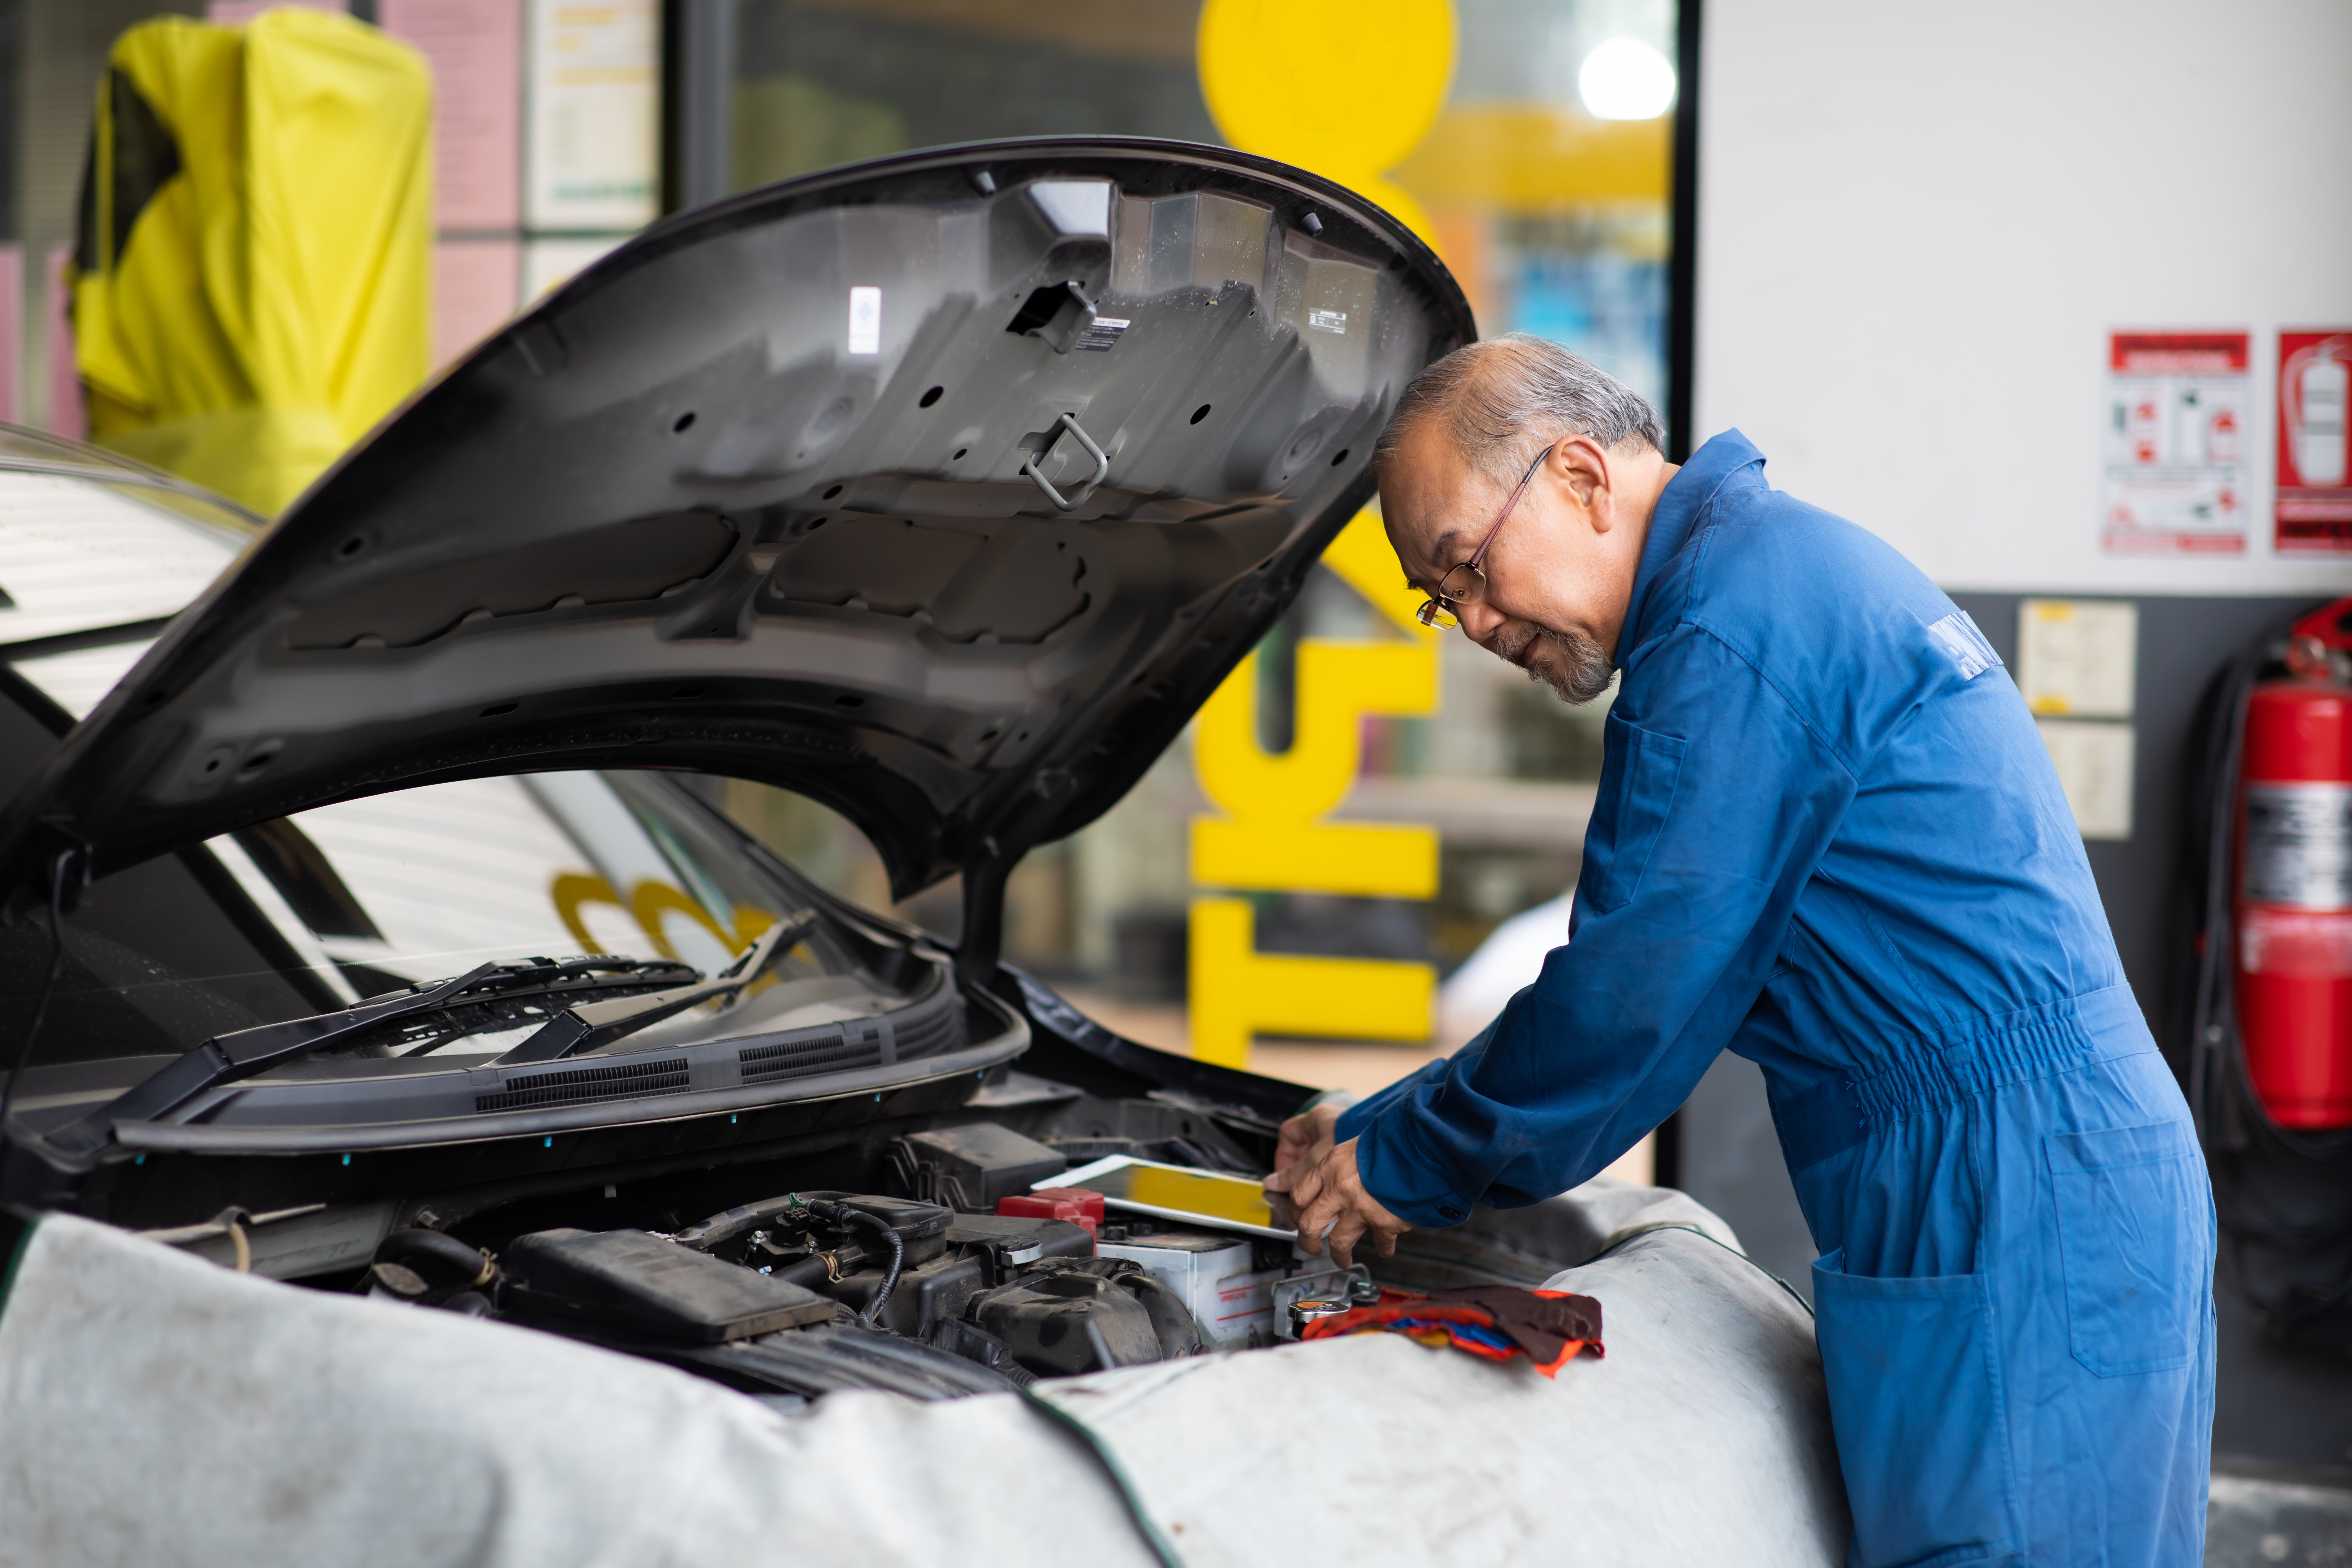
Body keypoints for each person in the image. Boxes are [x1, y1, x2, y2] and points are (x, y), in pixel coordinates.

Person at [1266, 334, 2214, 1567]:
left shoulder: (1728, 639)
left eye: (1471, 567)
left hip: (2008, 1184)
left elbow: (1632, 997)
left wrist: (1398, 1153)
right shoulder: (1764, 577)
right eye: (1444, 602)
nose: (1479, 624)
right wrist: (1381, 1123)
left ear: (1580, 478)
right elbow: (1656, 972)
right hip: (2032, 1171)